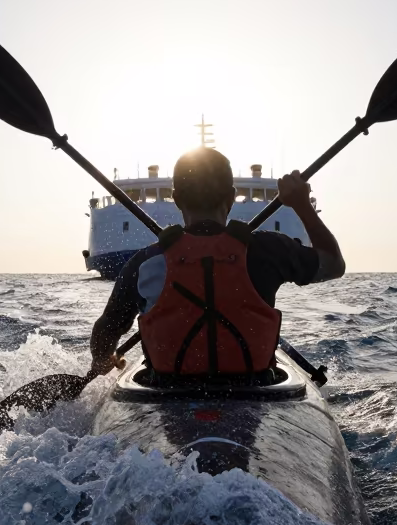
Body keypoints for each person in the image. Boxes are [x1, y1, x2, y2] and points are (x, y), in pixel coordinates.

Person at [90, 147, 345, 382]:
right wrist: (302, 204)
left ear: (176, 199)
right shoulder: (269, 251)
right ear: (232, 198)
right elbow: (334, 264)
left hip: (168, 390)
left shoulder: (144, 262)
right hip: (253, 388)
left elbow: (106, 330)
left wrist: (102, 360)